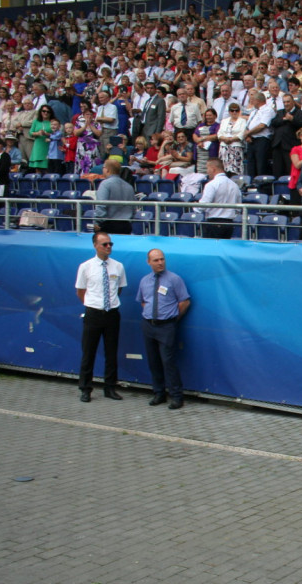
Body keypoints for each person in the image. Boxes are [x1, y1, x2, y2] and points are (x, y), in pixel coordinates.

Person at [75, 231, 127, 403]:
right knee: (88, 352)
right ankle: (85, 388)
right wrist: (93, 304)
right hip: (93, 313)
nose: (108, 247)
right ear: (95, 245)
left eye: (110, 244)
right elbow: (81, 291)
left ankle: (110, 387)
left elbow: (119, 288)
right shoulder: (86, 266)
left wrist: (108, 304)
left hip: (112, 313)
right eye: (104, 244)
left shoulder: (118, 266)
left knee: (111, 353)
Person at [136, 249, 191, 410]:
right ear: (149, 262)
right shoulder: (145, 281)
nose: (160, 262)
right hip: (148, 325)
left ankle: (176, 396)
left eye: (162, 259)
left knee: (168, 362)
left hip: (166, 326)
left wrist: (173, 319)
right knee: (153, 361)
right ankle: (159, 393)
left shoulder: (174, 279)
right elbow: (143, 301)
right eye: (156, 260)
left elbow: (184, 302)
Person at [197, 158, 241, 238]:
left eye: (207, 168)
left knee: (212, 249)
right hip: (229, 224)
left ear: (213, 169)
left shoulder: (211, 185)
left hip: (214, 222)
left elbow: (203, 205)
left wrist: (195, 207)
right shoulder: (234, 185)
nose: (207, 171)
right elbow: (239, 207)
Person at [93, 160, 136, 234]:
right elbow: (133, 209)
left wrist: (97, 222)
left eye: (103, 167)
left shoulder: (105, 184)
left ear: (107, 170)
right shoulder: (129, 186)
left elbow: (101, 205)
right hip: (126, 226)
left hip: (109, 226)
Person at [217, 103, 247, 176]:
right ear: (229, 111)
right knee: (224, 168)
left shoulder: (242, 121)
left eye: (236, 110)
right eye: (232, 110)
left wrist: (232, 139)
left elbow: (242, 133)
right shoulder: (224, 121)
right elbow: (219, 133)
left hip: (236, 146)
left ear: (239, 111)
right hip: (224, 146)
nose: (234, 112)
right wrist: (225, 139)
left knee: (236, 168)